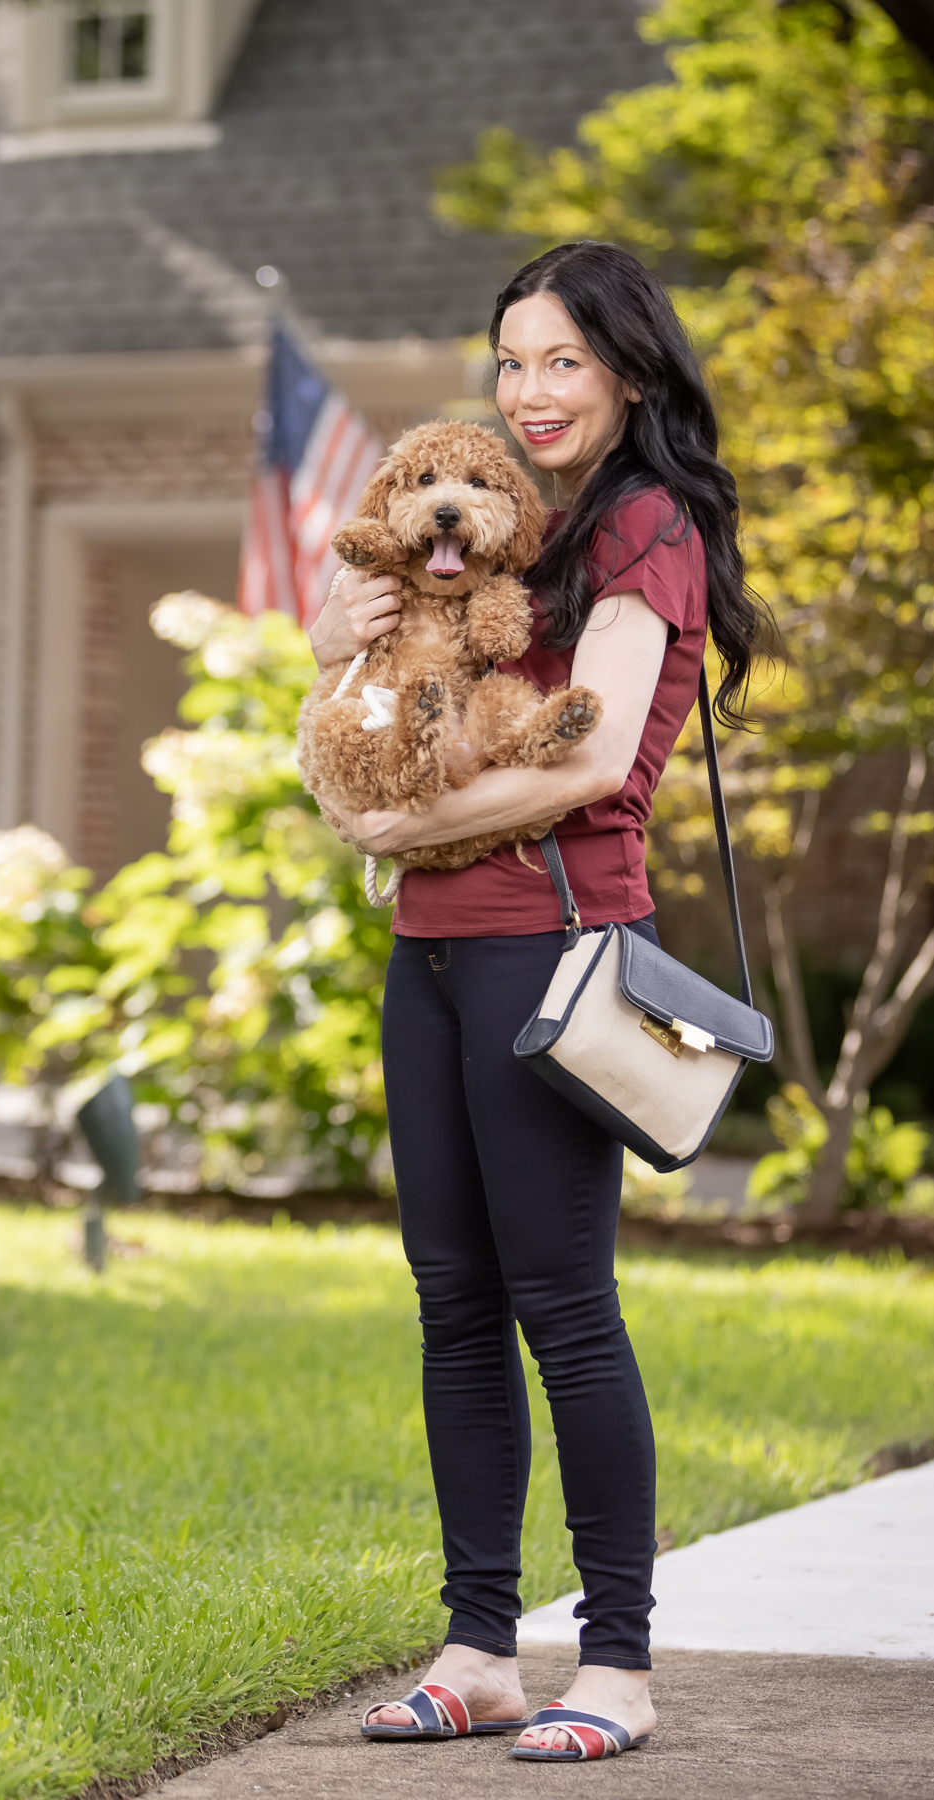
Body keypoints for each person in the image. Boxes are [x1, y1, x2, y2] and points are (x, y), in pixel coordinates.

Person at [307, 241, 763, 1764]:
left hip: (548, 952)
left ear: (629, 367)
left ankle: (617, 1666)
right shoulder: (517, 533)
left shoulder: (646, 521)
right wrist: (343, 643)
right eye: (510, 362)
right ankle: (479, 1647)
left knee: (563, 1310)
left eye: (561, 359)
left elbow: (581, 759)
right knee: (451, 1304)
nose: (530, 390)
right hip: (433, 954)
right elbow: (380, 679)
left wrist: (384, 833)